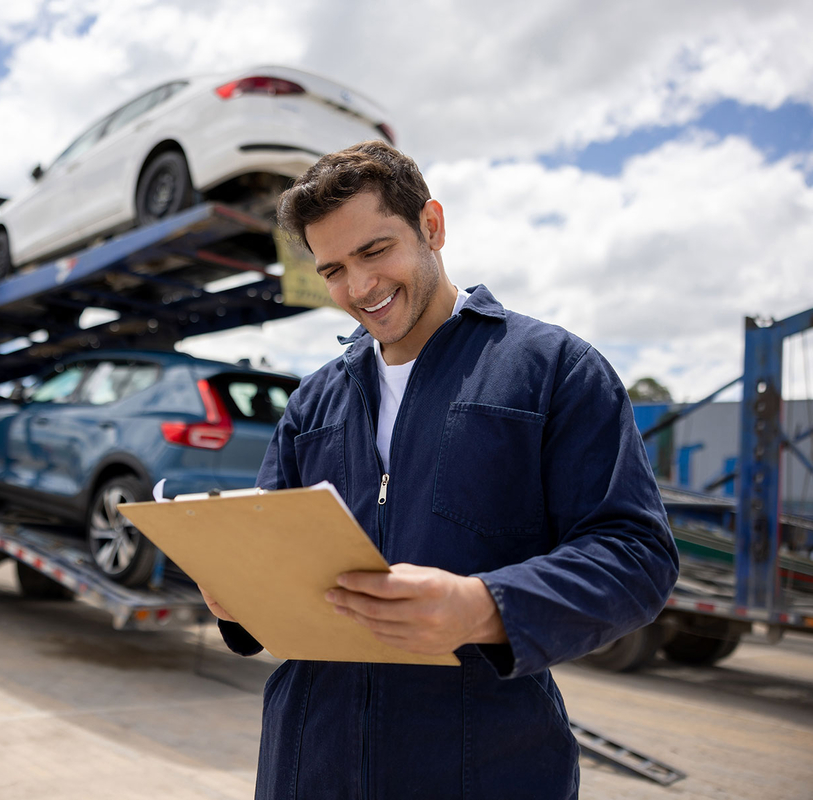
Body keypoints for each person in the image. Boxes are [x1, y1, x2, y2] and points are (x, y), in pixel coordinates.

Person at [199, 140, 679, 800]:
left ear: (431, 226)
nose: (359, 286)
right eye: (333, 268)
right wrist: (238, 599)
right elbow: (271, 567)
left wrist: (482, 608)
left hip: (481, 770)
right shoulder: (311, 402)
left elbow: (635, 556)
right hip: (306, 768)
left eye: (374, 251)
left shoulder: (553, 370)